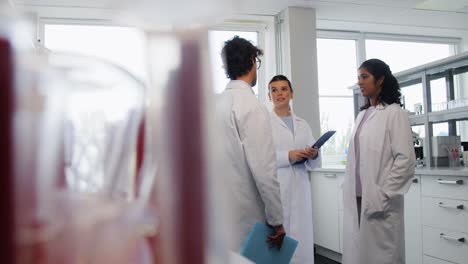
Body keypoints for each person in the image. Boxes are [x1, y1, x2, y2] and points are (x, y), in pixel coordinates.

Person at [342, 58, 416, 264]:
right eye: (358, 77)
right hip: (357, 196)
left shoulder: (394, 114)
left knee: (383, 256)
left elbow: (406, 161)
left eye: (365, 77)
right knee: (361, 254)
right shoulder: (363, 115)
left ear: (381, 79)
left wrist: (383, 195)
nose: (360, 82)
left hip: (379, 200)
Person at [216, 36, 286, 251]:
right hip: (247, 216)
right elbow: (264, 170)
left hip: (218, 215)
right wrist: (277, 220)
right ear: (253, 60)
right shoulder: (252, 107)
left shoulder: (215, 103)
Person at [268, 75, 319, 264]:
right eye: (274, 90)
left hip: (300, 188)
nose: (279, 93)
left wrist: (313, 154)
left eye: (284, 89)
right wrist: (288, 155)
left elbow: (313, 162)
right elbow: (261, 158)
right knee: (278, 245)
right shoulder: (265, 122)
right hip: (278, 188)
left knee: (301, 239)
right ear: (269, 96)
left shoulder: (302, 124)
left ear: (291, 93)